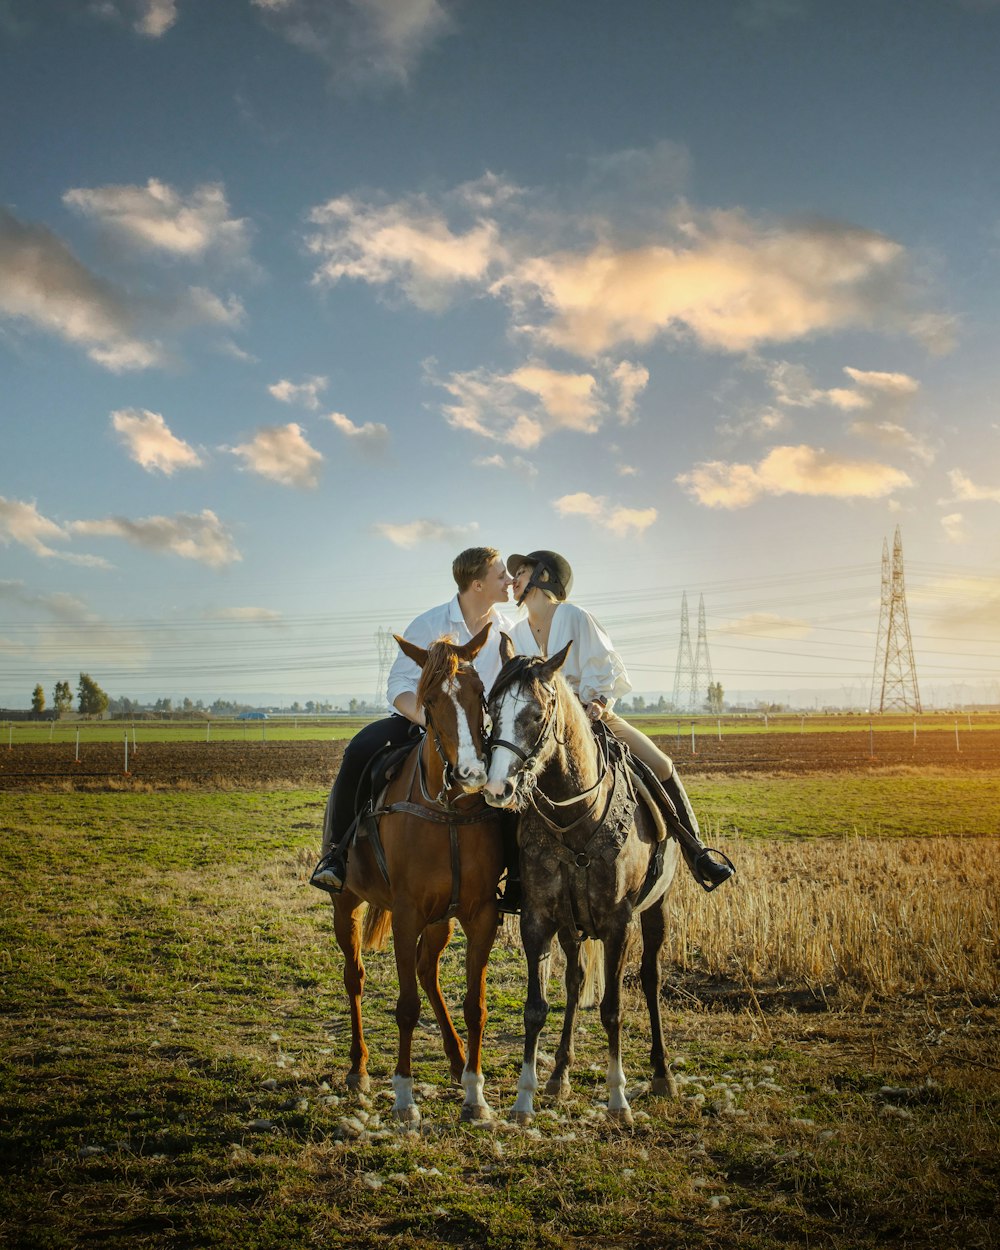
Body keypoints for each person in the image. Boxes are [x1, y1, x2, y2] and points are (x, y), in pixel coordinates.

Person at [505, 550, 735, 891]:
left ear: (542, 576)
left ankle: (697, 852)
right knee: (506, 781)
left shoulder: (574, 616)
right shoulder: (516, 632)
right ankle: (515, 875)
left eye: (521, 573)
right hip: (541, 730)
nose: (513, 581)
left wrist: (598, 702)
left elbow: (606, 666)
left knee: (661, 764)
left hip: (592, 718)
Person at [310, 546, 519, 902]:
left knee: (523, 777)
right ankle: (335, 856)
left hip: (485, 732)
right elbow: (398, 686)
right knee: (360, 749)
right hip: (420, 723)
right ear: (477, 584)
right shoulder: (429, 623)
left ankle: (518, 878)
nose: (510, 581)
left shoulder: (509, 630)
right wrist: (432, 722)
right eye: (501, 575)